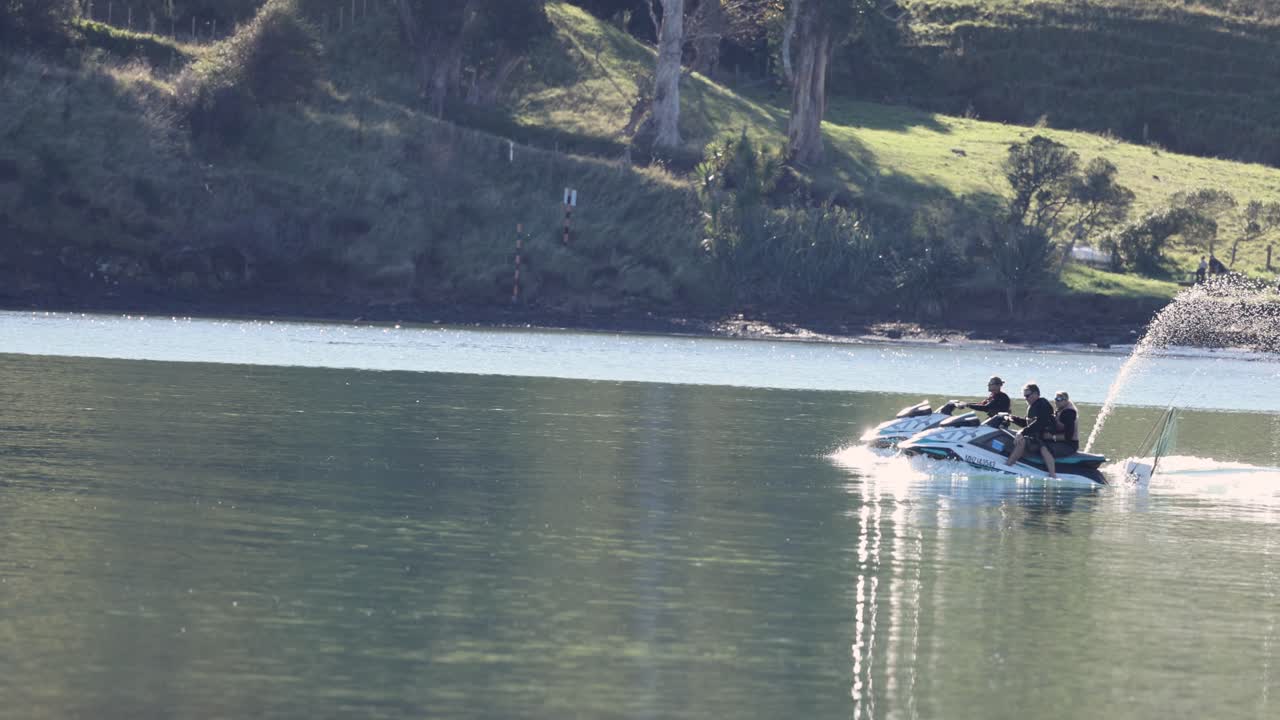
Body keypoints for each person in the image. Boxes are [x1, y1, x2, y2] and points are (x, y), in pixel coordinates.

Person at [1005, 383, 1055, 470]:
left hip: (1043, 440)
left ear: (1035, 394)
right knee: (1012, 434)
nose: (1026, 398)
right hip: (1035, 437)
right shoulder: (1033, 406)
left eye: (1027, 395)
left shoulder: (1042, 404)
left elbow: (1040, 423)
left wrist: (1022, 432)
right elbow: (1027, 423)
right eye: (1024, 396)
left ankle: (1008, 466)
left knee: (1021, 440)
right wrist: (1012, 418)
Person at [1036, 391, 1081, 478]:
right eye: (1056, 399)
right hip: (1061, 442)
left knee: (1044, 448)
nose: (1056, 401)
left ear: (1066, 400)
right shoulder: (1060, 410)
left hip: (1070, 445)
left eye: (1059, 399)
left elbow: (1069, 436)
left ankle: (1052, 475)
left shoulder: (1069, 413)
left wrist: (1052, 437)